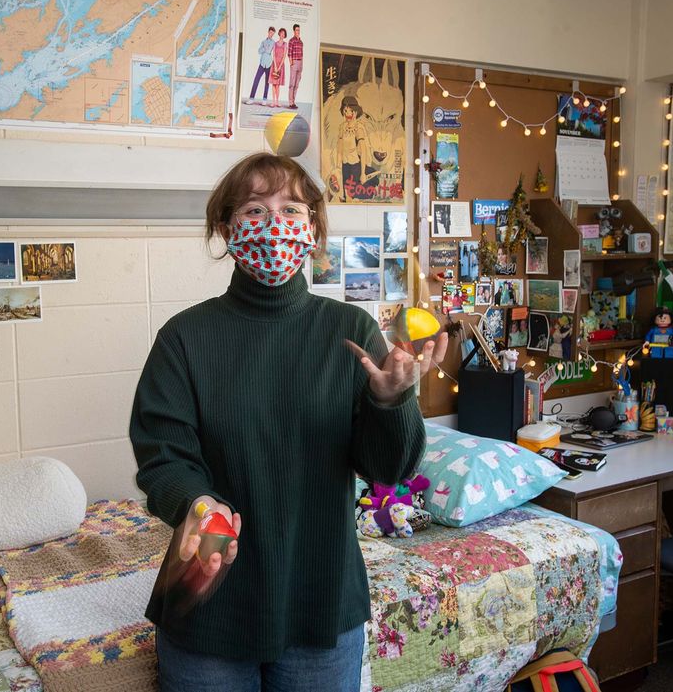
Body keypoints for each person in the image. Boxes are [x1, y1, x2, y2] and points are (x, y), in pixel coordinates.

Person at [130, 153, 446, 692]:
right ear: (228, 228)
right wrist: (197, 504)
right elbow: (163, 456)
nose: (274, 223)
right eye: (254, 208)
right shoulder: (184, 338)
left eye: (291, 208)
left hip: (320, 606)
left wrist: (392, 403)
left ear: (313, 229)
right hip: (211, 606)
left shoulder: (350, 331)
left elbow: (388, 470)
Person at [335, 96, 367, 202]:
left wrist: (363, 173)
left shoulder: (359, 128)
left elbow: (363, 152)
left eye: (351, 111)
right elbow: (339, 149)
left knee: (352, 195)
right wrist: (337, 168)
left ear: (356, 111)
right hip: (344, 165)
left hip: (355, 165)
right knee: (342, 194)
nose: (348, 114)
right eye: (345, 110)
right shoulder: (342, 127)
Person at [244, 27, 275, 104]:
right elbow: (259, 51)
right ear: (268, 32)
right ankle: (251, 98)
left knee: (267, 82)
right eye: (270, 32)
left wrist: (264, 48)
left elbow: (268, 50)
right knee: (256, 80)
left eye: (272, 33)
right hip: (262, 63)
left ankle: (264, 99)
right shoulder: (263, 41)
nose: (271, 34)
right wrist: (265, 48)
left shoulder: (273, 42)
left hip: (269, 63)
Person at [268, 28, 287, 108]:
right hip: (274, 64)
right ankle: (273, 101)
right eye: (281, 33)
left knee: (278, 85)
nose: (282, 35)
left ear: (284, 35)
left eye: (284, 33)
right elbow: (274, 55)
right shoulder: (275, 43)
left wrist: (279, 67)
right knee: (273, 84)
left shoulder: (285, 44)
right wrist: (275, 65)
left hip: (281, 65)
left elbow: (284, 56)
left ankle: (277, 101)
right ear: (279, 34)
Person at [286, 24, 303, 109]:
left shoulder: (301, 42)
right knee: (292, 84)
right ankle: (290, 102)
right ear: (294, 31)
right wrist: (291, 63)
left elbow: (302, 54)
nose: (298, 32)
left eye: (299, 30)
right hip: (294, 62)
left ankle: (293, 102)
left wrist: (301, 65)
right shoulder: (291, 41)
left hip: (300, 63)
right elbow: (289, 53)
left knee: (297, 84)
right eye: (296, 30)